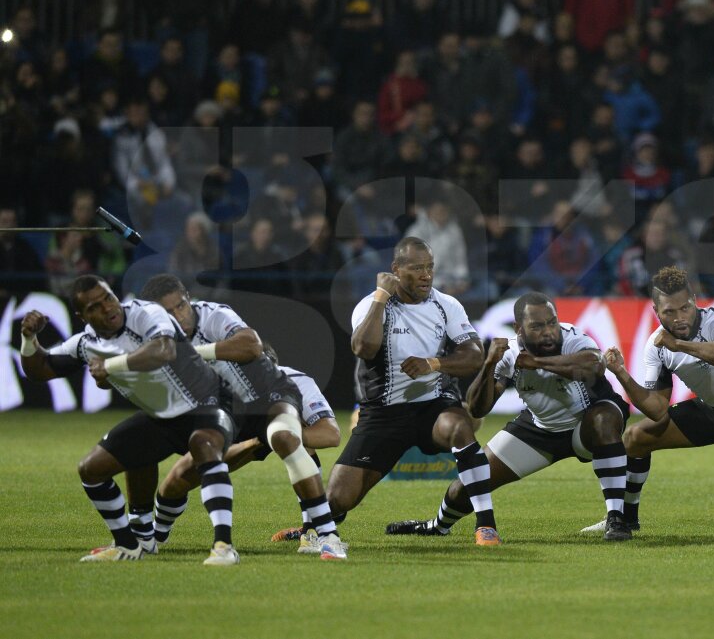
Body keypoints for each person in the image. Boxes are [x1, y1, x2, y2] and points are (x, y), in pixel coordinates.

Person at [18, 275, 238, 564]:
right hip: (162, 418)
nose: (108, 307)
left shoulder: (146, 312)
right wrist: (28, 340)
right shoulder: (86, 344)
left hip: (208, 403)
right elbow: (40, 370)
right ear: (82, 316)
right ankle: (129, 544)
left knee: (203, 445)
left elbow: (164, 350)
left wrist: (111, 366)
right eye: (95, 306)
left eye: (108, 297)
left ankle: (224, 546)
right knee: (91, 469)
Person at [387, 293, 634, 541]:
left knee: (602, 420)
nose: (548, 331)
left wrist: (537, 362)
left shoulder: (572, 337)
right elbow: (477, 409)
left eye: (551, 322)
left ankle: (616, 519)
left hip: (586, 424)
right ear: (519, 329)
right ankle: (438, 526)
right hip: (540, 428)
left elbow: (593, 366)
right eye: (537, 326)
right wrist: (489, 365)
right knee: (469, 483)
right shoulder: (509, 353)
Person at [138, 274, 346, 559]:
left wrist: (190, 354)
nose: (179, 316)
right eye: (168, 312)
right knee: (180, 475)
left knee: (288, 436)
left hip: (269, 408)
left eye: (181, 306)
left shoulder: (214, 318)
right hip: (230, 416)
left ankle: (322, 533)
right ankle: (154, 538)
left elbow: (331, 434)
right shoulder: (157, 340)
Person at [586, 266, 714, 537]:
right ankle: (625, 518)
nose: (679, 317)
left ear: (695, 301)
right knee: (636, 436)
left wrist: (680, 346)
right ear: (656, 311)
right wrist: (622, 374)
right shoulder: (656, 345)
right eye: (669, 312)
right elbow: (656, 409)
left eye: (684, 308)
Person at [327, 238, 496, 545]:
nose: (426, 275)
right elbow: (363, 348)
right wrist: (381, 295)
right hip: (384, 414)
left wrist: (435, 363)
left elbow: (473, 354)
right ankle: (315, 527)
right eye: (417, 268)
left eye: (430, 267)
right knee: (338, 498)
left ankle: (486, 526)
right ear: (396, 270)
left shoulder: (446, 305)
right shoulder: (372, 304)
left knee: (460, 426)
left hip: (433, 406)